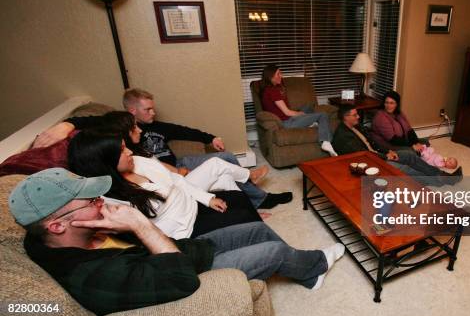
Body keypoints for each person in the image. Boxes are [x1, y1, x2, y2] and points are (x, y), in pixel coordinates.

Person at [9, 168, 345, 316]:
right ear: (56, 225)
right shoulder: (90, 275)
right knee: (273, 251)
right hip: (186, 274)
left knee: (254, 229)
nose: (102, 201)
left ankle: (306, 271)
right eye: (90, 200)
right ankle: (315, 264)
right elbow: (180, 280)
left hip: (182, 252)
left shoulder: (74, 235)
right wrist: (138, 223)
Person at [32, 89, 292, 209]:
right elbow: (90, 122)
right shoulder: (118, 131)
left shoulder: (157, 125)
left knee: (223, 156)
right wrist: (67, 124)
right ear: (132, 111)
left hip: (179, 163)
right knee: (222, 167)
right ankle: (253, 189)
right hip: (167, 173)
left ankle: (253, 194)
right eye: (147, 109)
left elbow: (184, 130)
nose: (153, 113)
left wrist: (211, 137)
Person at [68, 131, 266, 238]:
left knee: (239, 198)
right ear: (105, 160)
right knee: (242, 218)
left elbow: (176, 180)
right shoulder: (110, 201)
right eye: (121, 150)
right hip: (183, 230)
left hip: (191, 205)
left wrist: (207, 198)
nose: (129, 151)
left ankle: (258, 209)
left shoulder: (138, 161)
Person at [332, 104, 462, 186]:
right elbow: (363, 155)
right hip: (371, 163)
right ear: (345, 117)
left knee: (410, 156)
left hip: (378, 155)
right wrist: (385, 157)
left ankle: (442, 175)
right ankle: (441, 181)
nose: (358, 117)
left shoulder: (357, 127)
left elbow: (373, 142)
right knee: (406, 169)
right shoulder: (344, 136)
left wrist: (388, 151)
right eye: (355, 115)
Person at [260, 64, 337, 156]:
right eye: (278, 74)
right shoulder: (272, 91)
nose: (281, 76)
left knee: (309, 107)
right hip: (287, 123)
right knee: (322, 115)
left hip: (287, 119)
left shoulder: (269, 89)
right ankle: (325, 142)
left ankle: (312, 123)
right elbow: (287, 112)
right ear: (271, 77)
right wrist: (301, 114)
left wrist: (302, 113)